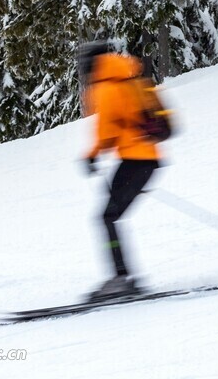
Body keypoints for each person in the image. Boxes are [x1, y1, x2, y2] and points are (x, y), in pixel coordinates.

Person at [78, 40, 160, 302]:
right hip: (143, 160)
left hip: (136, 162)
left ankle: (121, 279)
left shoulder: (106, 87)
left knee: (108, 217)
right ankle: (123, 277)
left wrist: (92, 156)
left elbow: (108, 131)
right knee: (110, 217)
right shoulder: (129, 77)